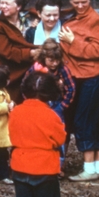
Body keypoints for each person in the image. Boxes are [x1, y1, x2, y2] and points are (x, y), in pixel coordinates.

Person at [10, 71, 67, 197]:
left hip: (20, 165)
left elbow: (11, 135)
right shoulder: (51, 116)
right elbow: (60, 139)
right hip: (44, 168)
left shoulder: (16, 111)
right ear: (50, 94)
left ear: (25, 91)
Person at [59, 0, 99, 182]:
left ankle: (89, 168)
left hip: (94, 76)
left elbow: (97, 51)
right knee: (94, 117)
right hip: (79, 76)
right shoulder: (71, 16)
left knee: (83, 120)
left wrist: (73, 42)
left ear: (90, 0)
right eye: (76, 2)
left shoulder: (97, 21)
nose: (80, 6)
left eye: (84, 2)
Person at [21, 39, 75, 172]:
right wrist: (29, 102)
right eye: (51, 60)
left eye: (57, 60)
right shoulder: (35, 68)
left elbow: (71, 88)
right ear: (44, 57)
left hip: (56, 105)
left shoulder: (63, 69)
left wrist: (62, 106)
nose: (54, 63)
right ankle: (35, 163)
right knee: (36, 133)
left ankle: (57, 166)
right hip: (37, 104)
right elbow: (24, 86)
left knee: (57, 134)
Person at [0, 0, 38, 102]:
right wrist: (32, 53)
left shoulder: (32, 18)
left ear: (19, 6)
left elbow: (52, 14)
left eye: (7, 4)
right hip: (10, 74)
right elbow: (8, 52)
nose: (3, 6)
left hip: (32, 72)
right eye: (1, 3)